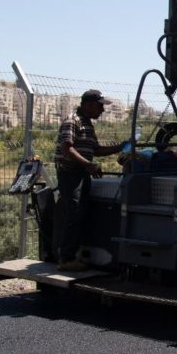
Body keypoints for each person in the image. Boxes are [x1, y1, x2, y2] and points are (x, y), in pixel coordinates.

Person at [53, 90, 123, 271]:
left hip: (81, 174)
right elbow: (67, 148)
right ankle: (66, 258)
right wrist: (88, 165)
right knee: (74, 212)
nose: (102, 110)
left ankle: (75, 254)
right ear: (88, 105)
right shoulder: (72, 121)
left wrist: (120, 147)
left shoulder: (87, 124)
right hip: (70, 174)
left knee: (81, 213)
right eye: (100, 106)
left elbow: (95, 150)